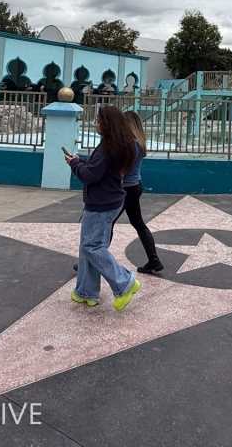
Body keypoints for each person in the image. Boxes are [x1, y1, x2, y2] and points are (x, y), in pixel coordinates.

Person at [64, 105, 141, 311]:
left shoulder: (108, 147)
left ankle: (124, 282)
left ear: (107, 124)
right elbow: (97, 168)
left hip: (101, 204)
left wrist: (74, 165)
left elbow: (90, 175)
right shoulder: (117, 144)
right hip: (107, 201)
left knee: (92, 247)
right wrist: (80, 161)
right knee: (88, 247)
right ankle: (86, 291)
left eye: (98, 121)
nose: (96, 124)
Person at [117, 111, 162, 274]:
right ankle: (154, 260)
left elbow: (122, 168)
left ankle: (90, 260)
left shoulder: (130, 144)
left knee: (107, 224)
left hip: (125, 188)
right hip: (134, 185)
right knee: (138, 223)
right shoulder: (139, 142)